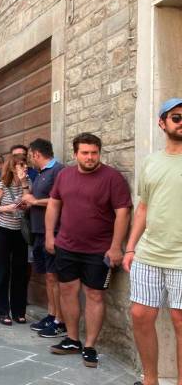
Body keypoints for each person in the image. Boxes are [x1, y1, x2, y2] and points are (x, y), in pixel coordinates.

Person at [45, 133, 131, 368]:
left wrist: (115, 247)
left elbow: (123, 212)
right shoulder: (64, 175)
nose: (90, 157)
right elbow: (54, 204)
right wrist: (50, 235)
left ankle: (90, 345)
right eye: (85, 153)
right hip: (67, 246)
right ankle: (73, 339)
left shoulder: (112, 178)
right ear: (76, 154)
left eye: (94, 153)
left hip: (99, 250)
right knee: (67, 292)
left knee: (94, 295)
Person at [123, 98, 182, 385]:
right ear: (162, 123)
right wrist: (131, 246)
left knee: (181, 321)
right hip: (148, 252)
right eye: (177, 117)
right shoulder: (150, 162)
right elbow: (144, 207)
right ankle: (151, 380)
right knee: (141, 315)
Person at [23, 138, 66, 338]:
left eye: (30, 155)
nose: (30, 159)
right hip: (39, 232)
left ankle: (60, 320)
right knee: (48, 277)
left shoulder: (58, 171)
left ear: (36, 154)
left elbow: (61, 199)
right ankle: (52, 314)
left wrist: (35, 201)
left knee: (54, 277)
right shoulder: (41, 174)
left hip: (54, 232)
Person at [0, 154, 30, 325]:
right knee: (3, 270)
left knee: (20, 271)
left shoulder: (27, 183)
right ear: (13, 167)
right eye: (21, 165)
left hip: (21, 232)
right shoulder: (3, 184)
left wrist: (25, 185)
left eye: (25, 164)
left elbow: (29, 201)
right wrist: (7, 207)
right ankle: (2, 310)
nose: (25, 167)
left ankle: (19, 311)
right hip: (4, 231)